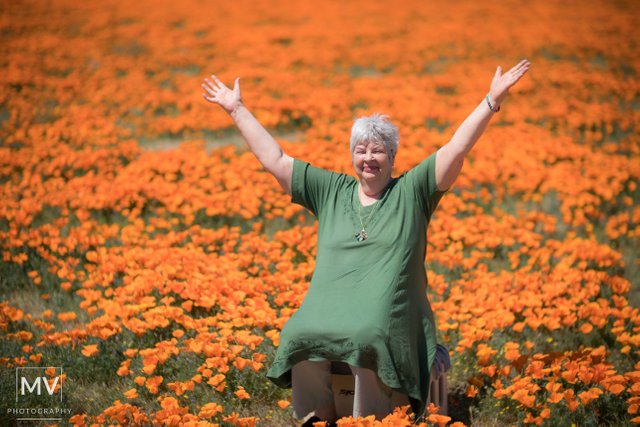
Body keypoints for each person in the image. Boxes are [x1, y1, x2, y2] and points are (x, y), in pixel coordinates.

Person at [201, 59, 531, 425]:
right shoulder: (331, 190)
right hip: (332, 305)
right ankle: (323, 415)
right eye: (361, 150)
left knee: (365, 334)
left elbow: (455, 149)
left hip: (388, 314)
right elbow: (275, 159)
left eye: (377, 151)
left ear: (392, 157)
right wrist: (237, 110)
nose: (368, 158)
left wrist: (490, 101)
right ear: (352, 155)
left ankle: (366, 420)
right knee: (298, 332)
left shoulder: (412, 191)